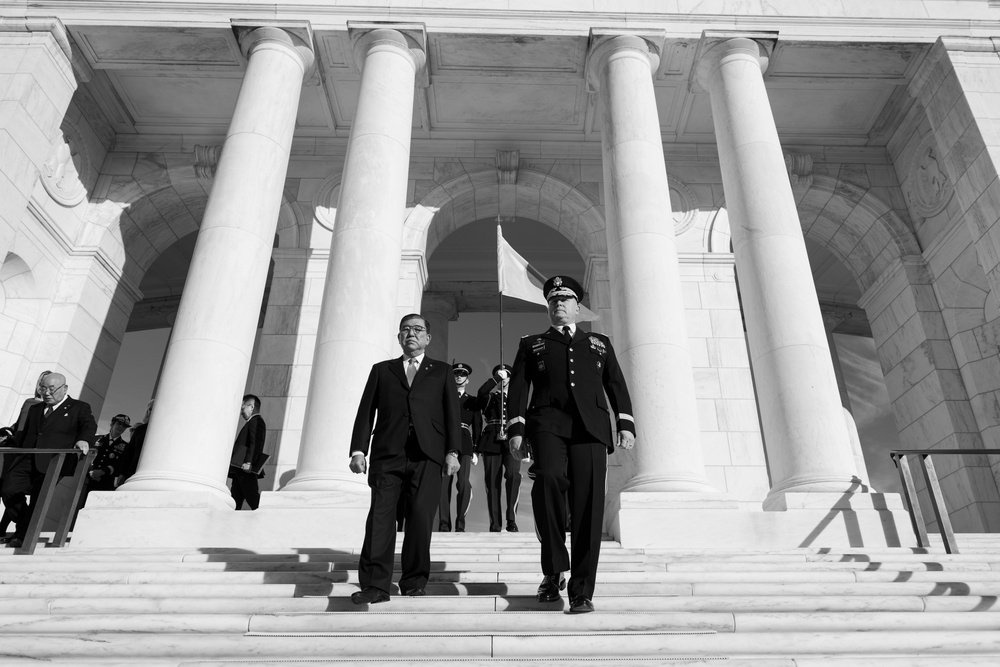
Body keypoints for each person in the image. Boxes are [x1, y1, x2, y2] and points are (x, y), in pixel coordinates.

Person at [507, 276, 635, 614]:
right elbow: (518, 389)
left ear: (578, 307)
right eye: (553, 300)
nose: (558, 305)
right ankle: (553, 569)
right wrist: (516, 428)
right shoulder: (531, 343)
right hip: (547, 425)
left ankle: (581, 591)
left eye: (565, 300)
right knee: (547, 481)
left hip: (591, 429)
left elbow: (616, 385)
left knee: (588, 508)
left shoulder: (599, 342)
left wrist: (625, 424)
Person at [349, 313, 462, 604]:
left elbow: (452, 414)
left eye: (418, 329)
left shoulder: (442, 371)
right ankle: (375, 585)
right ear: (399, 337)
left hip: (428, 454)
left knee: (421, 519)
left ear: (428, 338)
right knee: (380, 519)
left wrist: (453, 451)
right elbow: (365, 412)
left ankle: (413, 580)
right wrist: (358, 450)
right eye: (406, 329)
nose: (411, 333)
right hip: (388, 453)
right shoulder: (382, 370)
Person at [0, 372, 97, 549]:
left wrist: (84, 440)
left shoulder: (79, 407)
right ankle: (24, 527)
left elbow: (89, 425)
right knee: (9, 490)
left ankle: (22, 536)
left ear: (64, 388)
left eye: (51, 389)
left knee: (39, 499)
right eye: (43, 388)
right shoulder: (35, 409)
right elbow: (26, 434)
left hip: (54, 462)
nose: (46, 393)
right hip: (27, 459)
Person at [1, 370, 51, 540]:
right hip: (21, 454)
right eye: (42, 384)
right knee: (12, 491)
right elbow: (21, 427)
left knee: (13, 491)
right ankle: (18, 528)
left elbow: (23, 430)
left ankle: (18, 529)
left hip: (27, 456)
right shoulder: (33, 404)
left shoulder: (42, 407)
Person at [476, 363, 521, 532]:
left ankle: (512, 520)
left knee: (513, 476)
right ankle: (495, 524)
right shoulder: (490, 397)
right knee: (492, 483)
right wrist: (495, 379)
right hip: (491, 441)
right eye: (501, 375)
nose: (503, 378)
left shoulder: (516, 400)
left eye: (506, 375)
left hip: (512, 441)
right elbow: (481, 392)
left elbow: (524, 421)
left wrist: (527, 447)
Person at [438, 362, 478, 532]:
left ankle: (460, 524)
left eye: (462, 374)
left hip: (465, 442)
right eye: (456, 374)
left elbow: (477, 425)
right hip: (445, 443)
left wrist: (476, 449)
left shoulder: (473, 401)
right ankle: (444, 525)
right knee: (443, 485)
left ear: (467, 380)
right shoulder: (443, 398)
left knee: (463, 483)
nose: (459, 377)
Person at [80, 413, 131, 507]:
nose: (121, 427)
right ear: (112, 423)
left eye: (124, 426)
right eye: (119, 424)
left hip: (105, 482)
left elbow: (121, 464)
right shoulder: (97, 439)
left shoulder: (125, 446)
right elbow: (87, 456)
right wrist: (91, 470)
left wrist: (103, 472)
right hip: (86, 479)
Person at [228, 394, 267, 510]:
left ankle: (265, 519)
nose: (241, 412)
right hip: (239, 469)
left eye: (242, 408)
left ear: (251, 407)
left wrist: (249, 462)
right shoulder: (251, 422)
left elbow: (255, 443)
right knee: (235, 498)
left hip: (246, 468)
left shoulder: (257, 421)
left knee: (252, 496)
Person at [119, 399, 152, 484]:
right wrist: (122, 473)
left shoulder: (165, 430)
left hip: (151, 472)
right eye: (149, 409)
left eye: (153, 408)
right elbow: (129, 453)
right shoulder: (140, 430)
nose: (151, 411)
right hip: (134, 471)